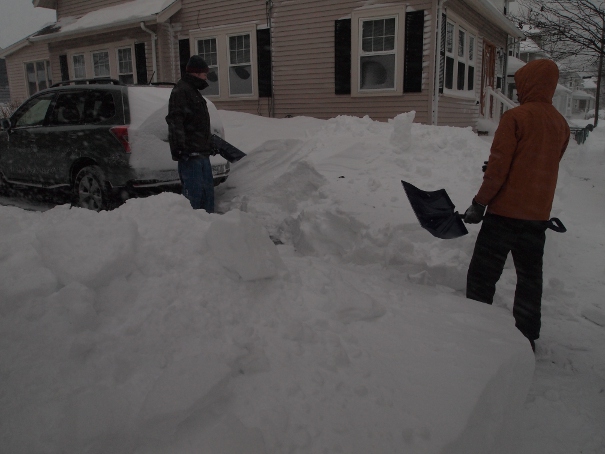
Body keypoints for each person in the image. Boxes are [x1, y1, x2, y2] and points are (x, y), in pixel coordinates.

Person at [463, 59, 570, 352]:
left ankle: (475, 328)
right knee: (530, 281)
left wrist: (479, 203)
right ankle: (526, 338)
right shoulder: (560, 124)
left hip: (504, 217)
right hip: (537, 219)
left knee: (483, 276)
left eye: (521, 85)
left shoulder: (516, 117)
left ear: (530, 84)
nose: (519, 91)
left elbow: (499, 168)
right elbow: (543, 163)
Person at [166, 55, 215, 212]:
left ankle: (210, 223)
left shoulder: (193, 91)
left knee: (207, 195)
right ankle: (194, 226)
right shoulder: (181, 91)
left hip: (201, 152)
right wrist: (180, 147)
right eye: (204, 74)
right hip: (190, 155)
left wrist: (209, 143)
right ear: (196, 73)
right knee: (194, 197)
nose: (206, 77)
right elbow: (175, 120)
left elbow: (198, 123)